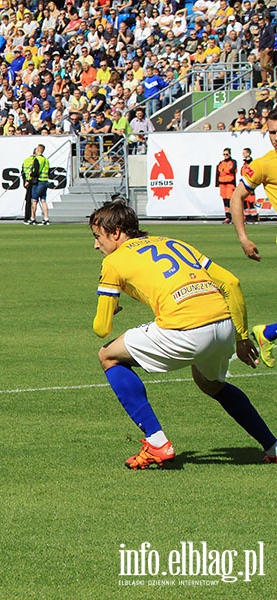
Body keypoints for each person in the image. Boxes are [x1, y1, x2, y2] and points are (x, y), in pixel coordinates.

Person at [90, 200, 277, 468]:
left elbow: (101, 329)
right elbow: (231, 283)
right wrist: (241, 337)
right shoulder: (173, 242)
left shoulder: (114, 261)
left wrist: (112, 309)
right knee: (211, 384)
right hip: (223, 324)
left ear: (116, 232)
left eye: (98, 237)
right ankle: (273, 445)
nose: (97, 245)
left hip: (185, 329)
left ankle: (156, 442)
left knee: (108, 355)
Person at [230, 112, 277, 367]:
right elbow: (237, 197)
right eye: (272, 132)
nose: (275, 138)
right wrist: (243, 237)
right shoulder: (262, 164)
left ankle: (267, 333)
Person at [28, 144, 50, 226]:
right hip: (45, 181)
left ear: (37, 150)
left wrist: (31, 174)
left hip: (39, 181)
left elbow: (36, 171)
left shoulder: (37, 159)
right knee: (43, 200)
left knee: (34, 200)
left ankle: (32, 218)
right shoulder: (46, 159)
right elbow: (49, 170)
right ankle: (46, 218)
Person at [217, 147, 237, 224]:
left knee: (230, 201)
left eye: (226, 154)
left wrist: (224, 171)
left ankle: (234, 217)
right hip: (222, 184)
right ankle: (227, 217)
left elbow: (232, 170)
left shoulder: (233, 162)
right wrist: (226, 171)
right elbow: (219, 172)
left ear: (230, 154)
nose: (225, 155)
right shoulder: (221, 163)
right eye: (224, 154)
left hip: (230, 183)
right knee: (225, 201)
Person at [240, 147, 259, 224]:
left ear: (248, 153)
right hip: (245, 184)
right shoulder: (244, 164)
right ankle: (247, 217)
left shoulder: (251, 163)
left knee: (251, 202)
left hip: (250, 185)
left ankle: (254, 218)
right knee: (245, 202)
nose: (243, 154)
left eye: (244, 153)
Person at [20, 149, 36, 225]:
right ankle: (32, 217)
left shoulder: (26, 160)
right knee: (34, 201)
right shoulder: (36, 160)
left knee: (28, 201)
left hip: (27, 182)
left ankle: (27, 217)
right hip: (33, 181)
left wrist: (25, 181)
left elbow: (23, 171)